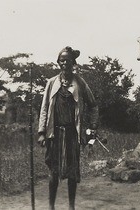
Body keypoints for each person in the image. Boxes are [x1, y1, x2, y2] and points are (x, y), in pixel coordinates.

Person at [38, 46, 99, 210]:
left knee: (72, 172)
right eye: (62, 60)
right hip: (54, 133)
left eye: (68, 60)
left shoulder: (80, 82)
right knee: (53, 172)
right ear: (58, 62)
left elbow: (93, 105)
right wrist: (42, 132)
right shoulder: (51, 83)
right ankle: (51, 206)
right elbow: (44, 108)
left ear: (73, 63)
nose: (64, 63)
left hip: (72, 133)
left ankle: (71, 206)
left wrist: (93, 126)